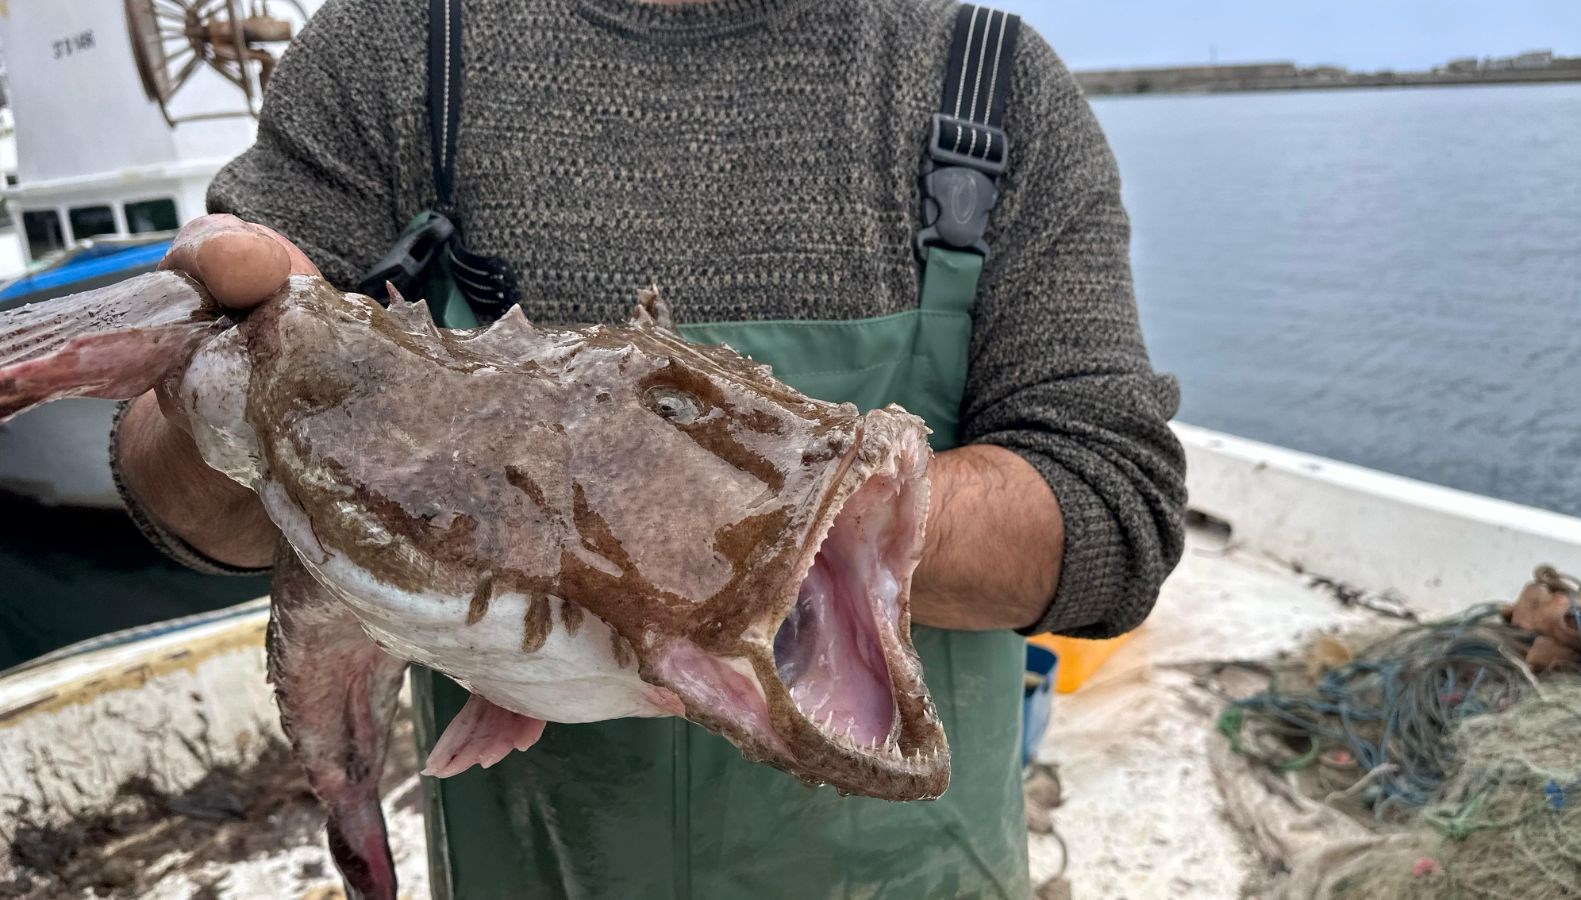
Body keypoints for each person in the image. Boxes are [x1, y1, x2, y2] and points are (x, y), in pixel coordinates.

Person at [114, 0, 1186, 896]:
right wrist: (239, 387)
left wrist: (718, 525)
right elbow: (184, 505)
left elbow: (1114, 518)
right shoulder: (394, 55)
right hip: (530, 864)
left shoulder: (991, 84)